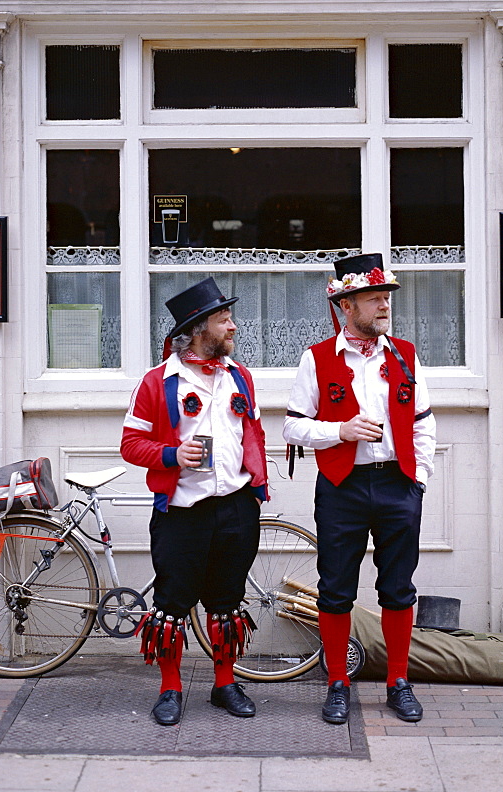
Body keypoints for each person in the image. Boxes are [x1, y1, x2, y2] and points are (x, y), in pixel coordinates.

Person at [283, 253, 436, 725]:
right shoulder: (317, 358)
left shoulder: (405, 354)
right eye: (374, 299)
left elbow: (425, 423)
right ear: (345, 306)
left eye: (386, 298)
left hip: (397, 483)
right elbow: (292, 428)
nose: (384, 306)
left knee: (398, 587)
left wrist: (419, 483)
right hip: (341, 486)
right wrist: (339, 431)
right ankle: (337, 684)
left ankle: (397, 682)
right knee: (335, 590)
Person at [121, 277, 268, 726]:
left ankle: (225, 683)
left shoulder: (239, 376)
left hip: (237, 506)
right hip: (183, 511)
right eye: (225, 320)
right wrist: (172, 454)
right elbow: (130, 444)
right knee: (172, 602)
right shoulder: (156, 382)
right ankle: (170, 689)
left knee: (227, 600)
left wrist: (258, 486)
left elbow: (253, 431)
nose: (234, 327)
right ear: (200, 328)